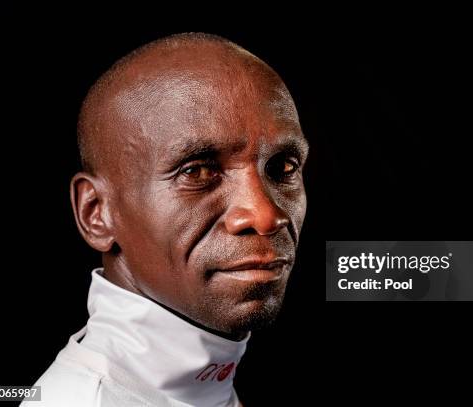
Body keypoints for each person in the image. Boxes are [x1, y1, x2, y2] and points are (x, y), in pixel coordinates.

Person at [23, 32, 308, 407]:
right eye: (197, 172)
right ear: (97, 214)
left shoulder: (201, 386)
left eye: (283, 167)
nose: (265, 215)